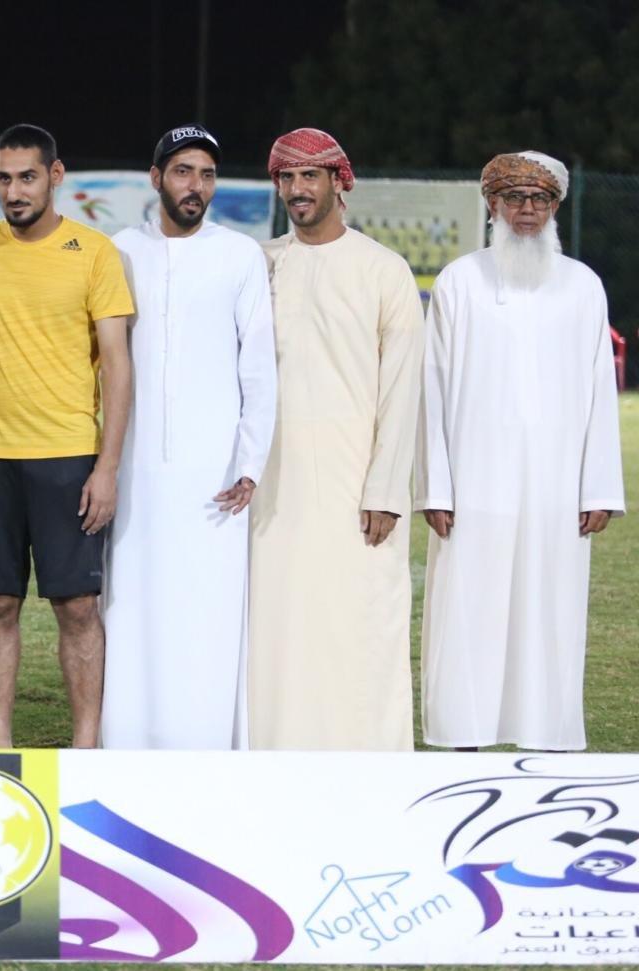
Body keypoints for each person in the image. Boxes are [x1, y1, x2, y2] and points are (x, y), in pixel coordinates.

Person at [416, 151, 625, 752]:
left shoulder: (582, 285)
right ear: (492, 204)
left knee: (549, 610)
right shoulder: (460, 280)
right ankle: (462, 737)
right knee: (468, 610)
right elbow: (432, 388)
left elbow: (599, 391)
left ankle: (547, 738)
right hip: (473, 484)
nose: (527, 210)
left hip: (556, 490)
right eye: (514, 198)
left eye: (540, 199)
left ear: (556, 206)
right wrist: (435, 488)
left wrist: (598, 488)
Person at [0, 123, 134, 748]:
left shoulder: (95, 252)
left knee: (78, 607)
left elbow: (117, 364)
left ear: (55, 176)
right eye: (4, 178)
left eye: (27, 177)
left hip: (68, 456)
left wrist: (106, 468)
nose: (14, 191)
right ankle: (0, 750)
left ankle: (85, 748)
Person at [101, 125, 276, 750]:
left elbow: (259, 368)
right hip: (134, 467)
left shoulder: (239, 255)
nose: (195, 186)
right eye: (182, 172)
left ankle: (206, 742)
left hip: (214, 473)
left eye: (206, 174)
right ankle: (128, 740)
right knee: (132, 606)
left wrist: (249, 462)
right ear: (156, 179)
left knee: (208, 609)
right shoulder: (119, 251)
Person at [248, 128, 424, 751]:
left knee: (357, 624)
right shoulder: (260, 264)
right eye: (287, 178)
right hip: (271, 484)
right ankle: (271, 758)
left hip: (357, 486)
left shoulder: (383, 270)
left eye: (309, 176)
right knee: (277, 627)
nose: (297, 189)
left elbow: (403, 391)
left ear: (338, 182)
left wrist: (386, 490)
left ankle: (365, 763)